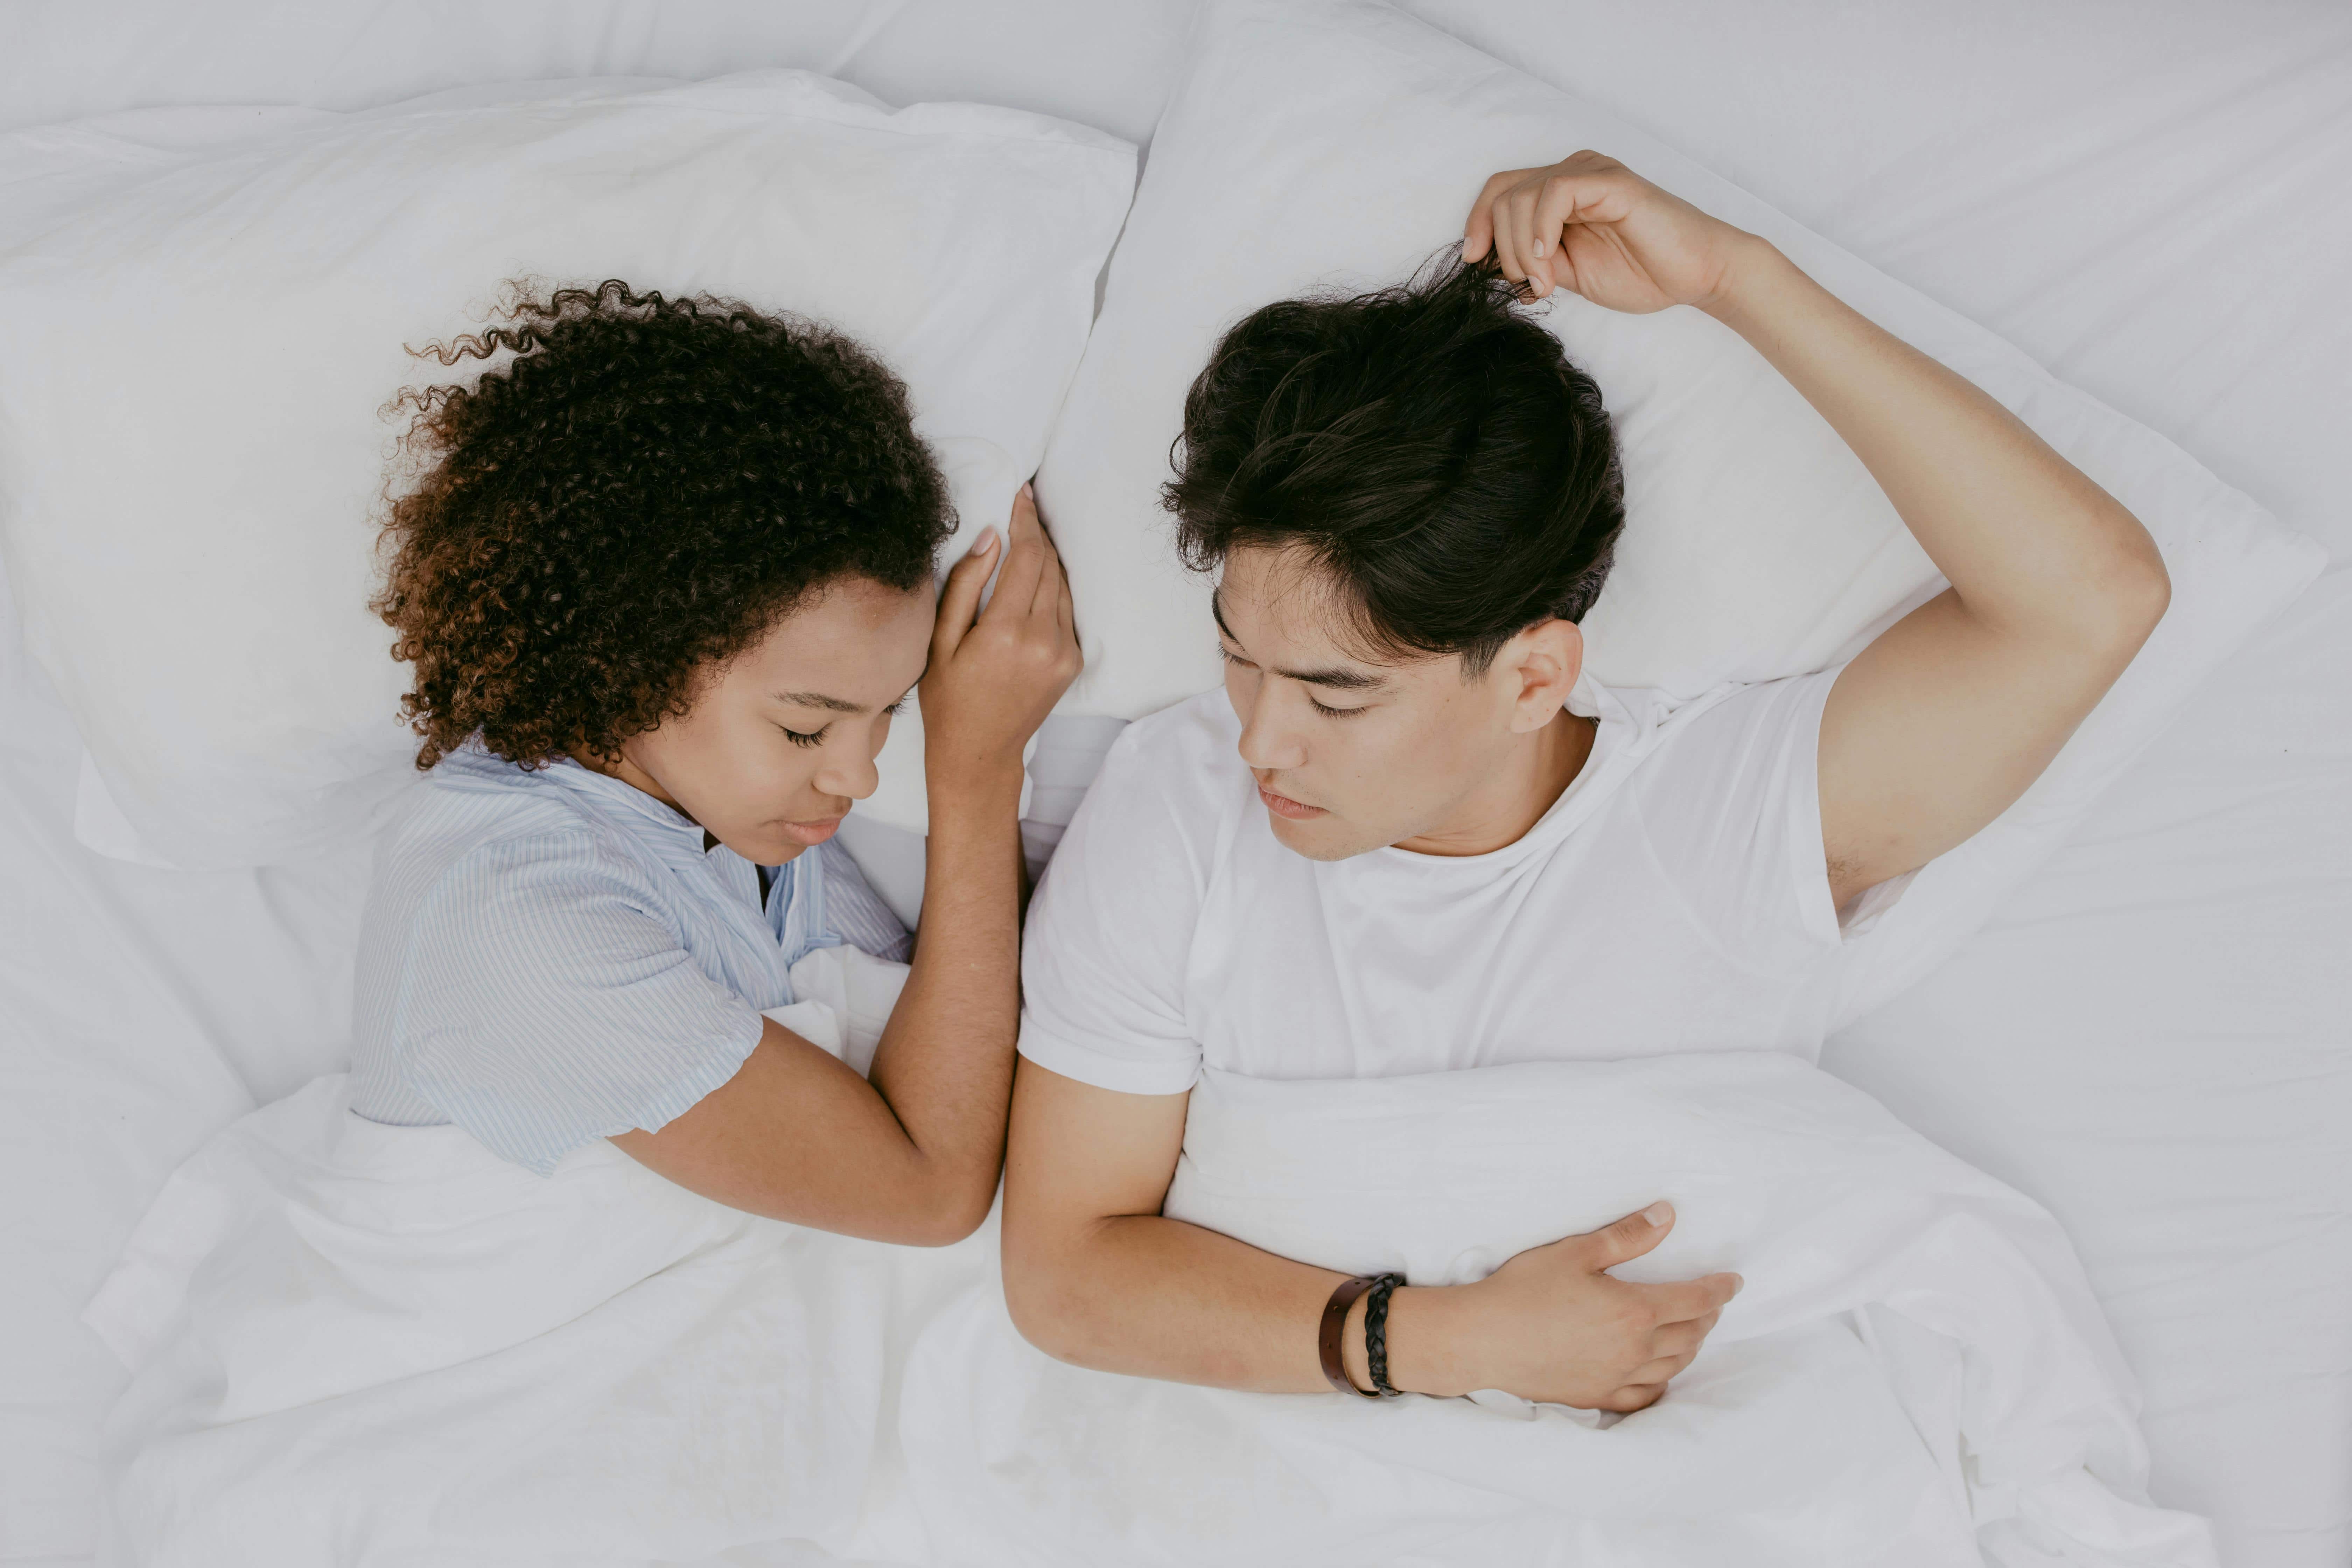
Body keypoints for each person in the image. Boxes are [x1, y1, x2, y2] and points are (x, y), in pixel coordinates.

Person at [1000, 154, 2169, 1410]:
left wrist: (1733, 277)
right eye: (1240, 660)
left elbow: (2092, 602)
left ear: (1533, 677)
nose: (1259, 744)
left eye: (1337, 696)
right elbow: (1067, 1273)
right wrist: (1447, 1343)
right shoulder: (1178, 807)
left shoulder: (1725, 817)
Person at [350, 279, 1079, 1240]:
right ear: (632, 653)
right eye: (807, 728)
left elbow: (966, 1026)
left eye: (893, 712)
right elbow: (930, 1192)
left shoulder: (717, 810)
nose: (860, 778)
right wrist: (978, 773)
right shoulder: (515, 915)